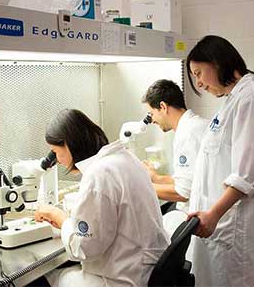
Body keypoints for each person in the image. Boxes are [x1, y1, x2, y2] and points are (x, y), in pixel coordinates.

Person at [34, 109, 169, 287]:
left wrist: (60, 218)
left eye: (55, 151)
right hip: (145, 270)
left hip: (123, 279)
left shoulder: (98, 175)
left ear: (69, 145)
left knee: (41, 280)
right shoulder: (125, 158)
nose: (57, 160)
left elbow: (83, 249)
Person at [184, 35, 254, 286]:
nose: (199, 83)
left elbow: (246, 175)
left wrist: (213, 214)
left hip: (237, 232)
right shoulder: (234, 101)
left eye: (199, 73)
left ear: (216, 62)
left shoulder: (251, 100)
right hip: (224, 231)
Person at [141, 79, 209, 211]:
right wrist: (155, 177)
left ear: (163, 107)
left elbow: (183, 192)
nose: (152, 120)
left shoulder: (187, 134)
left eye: (152, 114)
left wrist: (139, 187)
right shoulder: (194, 125)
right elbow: (189, 181)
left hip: (201, 214)